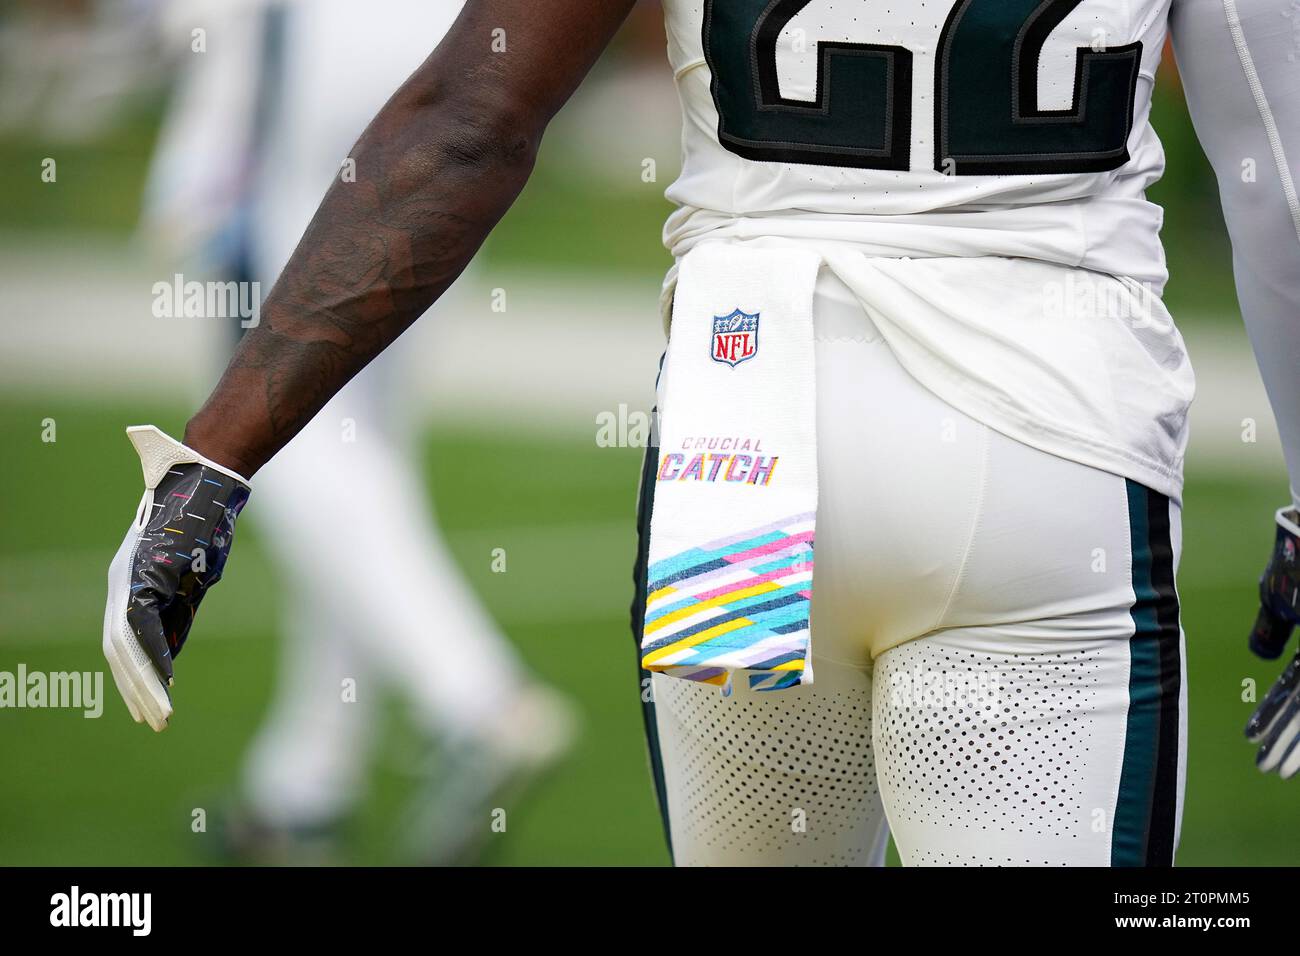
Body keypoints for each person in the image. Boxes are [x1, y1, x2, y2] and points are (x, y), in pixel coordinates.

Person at [104, 0, 1300, 866]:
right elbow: (1276, 188)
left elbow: (468, 121)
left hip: (744, 450)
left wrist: (214, 458)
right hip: (1047, 452)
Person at [135, 0, 575, 862]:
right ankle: (305, 779)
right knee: (357, 435)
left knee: (265, 411)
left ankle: (476, 699)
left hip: (318, 36)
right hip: (455, 44)